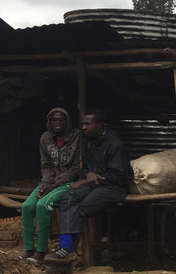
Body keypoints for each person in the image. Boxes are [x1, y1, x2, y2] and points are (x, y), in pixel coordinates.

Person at [45, 109, 133, 264]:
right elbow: (85, 167)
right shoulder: (88, 143)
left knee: (82, 208)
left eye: (88, 124)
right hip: (94, 185)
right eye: (83, 124)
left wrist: (88, 179)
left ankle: (68, 249)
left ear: (100, 125)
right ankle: (65, 247)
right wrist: (87, 175)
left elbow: (120, 175)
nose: (84, 127)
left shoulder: (115, 144)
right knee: (68, 197)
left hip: (114, 188)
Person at [21, 108, 80, 264]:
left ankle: (41, 252)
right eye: (54, 120)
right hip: (49, 181)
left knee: (42, 205)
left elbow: (76, 168)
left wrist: (55, 185)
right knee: (27, 206)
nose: (57, 123)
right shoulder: (45, 138)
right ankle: (29, 250)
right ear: (49, 122)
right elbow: (45, 165)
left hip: (68, 182)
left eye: (61, 119)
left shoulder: (77, 136)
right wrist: (45, 184)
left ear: (67, 121)